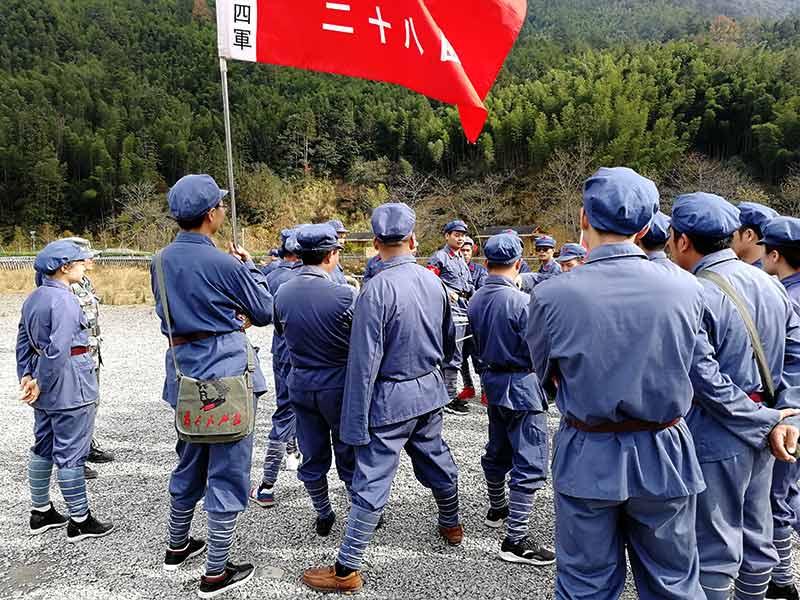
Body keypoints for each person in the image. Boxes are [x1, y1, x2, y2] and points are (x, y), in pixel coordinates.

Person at [526, 166, 799, 600]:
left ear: (583, 217)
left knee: (584, 586)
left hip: (587, 450)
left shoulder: (550, 294)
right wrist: (766, 418)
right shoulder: (688, 288)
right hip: (665, 451)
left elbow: (546, 379)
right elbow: (703, 372)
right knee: (673, 583)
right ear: (648, 225)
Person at [302, 203, 462, 594]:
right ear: (413, 239)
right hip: (428, 391)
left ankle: (347, 569)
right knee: (436, 457)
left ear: (375, 243)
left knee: (372, 479)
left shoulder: (375, 291)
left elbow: (363, 365)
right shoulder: (434, 282)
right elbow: (448, 341)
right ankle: (451, 523)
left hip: (390, 399)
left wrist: (353, 426)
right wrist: (444, 383)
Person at [669, 193, 800, 600]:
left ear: (682, 241)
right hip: (769, 433)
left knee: (714, 546)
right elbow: (796, 356)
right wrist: (786, 418)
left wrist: (770, 421)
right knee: (757, 536)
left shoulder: (692, 292)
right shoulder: (772, 285)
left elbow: (704, 378)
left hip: (718, 430)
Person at [152, 174, 273, 597]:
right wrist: (249, 267)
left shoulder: (160, 259)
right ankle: (216, 571)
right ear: (211, 214)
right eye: (220, 205)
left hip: (183, 371)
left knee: (188, 458)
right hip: (226, 376)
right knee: (227, 469)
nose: (223, 210)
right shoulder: (225, 262)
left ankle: (177, 544)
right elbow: (264, 310)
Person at [17, 239, 114, 543]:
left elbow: (22, 342)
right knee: (72, 451)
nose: (88, 264)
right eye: (82, 261)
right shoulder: (66, 300)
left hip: (43, 383)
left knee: (43, 445)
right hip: (70, 382)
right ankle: (80, 521)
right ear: (64, 267)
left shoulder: (34, 297)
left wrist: (28, 377)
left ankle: (41, 511)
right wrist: (42, 380)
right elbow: (58, 348)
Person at [468, 233, 555, 566]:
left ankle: (497, 507)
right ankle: (515, 539)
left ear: (486, 263)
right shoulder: (522, 302)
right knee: (530, 461)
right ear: (519, 263)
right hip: (521, 383)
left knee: (498, 449)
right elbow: (540, 350)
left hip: (492, 381)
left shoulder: (476, 299)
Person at [273, 224, 356, 537]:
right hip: (338, 384)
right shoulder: (344, 294)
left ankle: (323, 513)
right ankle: (358, 512)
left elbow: (282, 334)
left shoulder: (283, 292)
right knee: (349, 451)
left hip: (301, 382)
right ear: (331, 255)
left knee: (312, 452)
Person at [756, 216, 800, 599]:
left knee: (777, 498)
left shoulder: (786, 298)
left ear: (774, 254)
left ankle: (781, 581)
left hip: (789, 416)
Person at [250, 229, 303, 508]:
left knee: (285, 411)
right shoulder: (331, 276)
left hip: (284, 352)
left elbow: (257, 313)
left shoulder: (272, 275)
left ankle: (267, 486)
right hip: (319, 357)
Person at [62, 237, 115, 479]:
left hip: (92, 353)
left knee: (91, 403)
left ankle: (87, 446)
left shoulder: (84, 281)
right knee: (76, 407)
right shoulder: (64, 286)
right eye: (87, 256)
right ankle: (74, 459)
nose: (92, 259)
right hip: (75, 356)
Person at [428, 220, 474, 415]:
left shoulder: (460, 259)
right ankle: (449, 397)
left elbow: (468, 284)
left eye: (463, 235)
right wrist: (446, 291)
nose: (460, 238)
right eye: (456, 234)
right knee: (452, 356)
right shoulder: (440, 257)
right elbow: (430, 280)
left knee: (461, 354)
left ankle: (450, 394)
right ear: (447, 236)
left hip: (465, 309)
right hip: (451, 311)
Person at [458, 237, 487, 404]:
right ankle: (468, 386)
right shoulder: (453, 270)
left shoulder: (479, 271)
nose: (464, 253)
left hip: (475, 319)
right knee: (460, 357)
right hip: (458, 319)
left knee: (479, 356)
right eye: (462, 250)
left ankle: (485, 390)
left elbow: (480, 293)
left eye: (467, 250)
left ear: (472, 251)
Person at [732, 202, 779, 269]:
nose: (727, 236)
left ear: (748, 235)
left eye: (731, 232)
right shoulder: (776, 270)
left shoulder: (747, 275)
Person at [326, 220, 350, 285]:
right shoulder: (325, 262)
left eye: (343, 237)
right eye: (339, 237)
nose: (342, 241)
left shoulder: (335, 261)